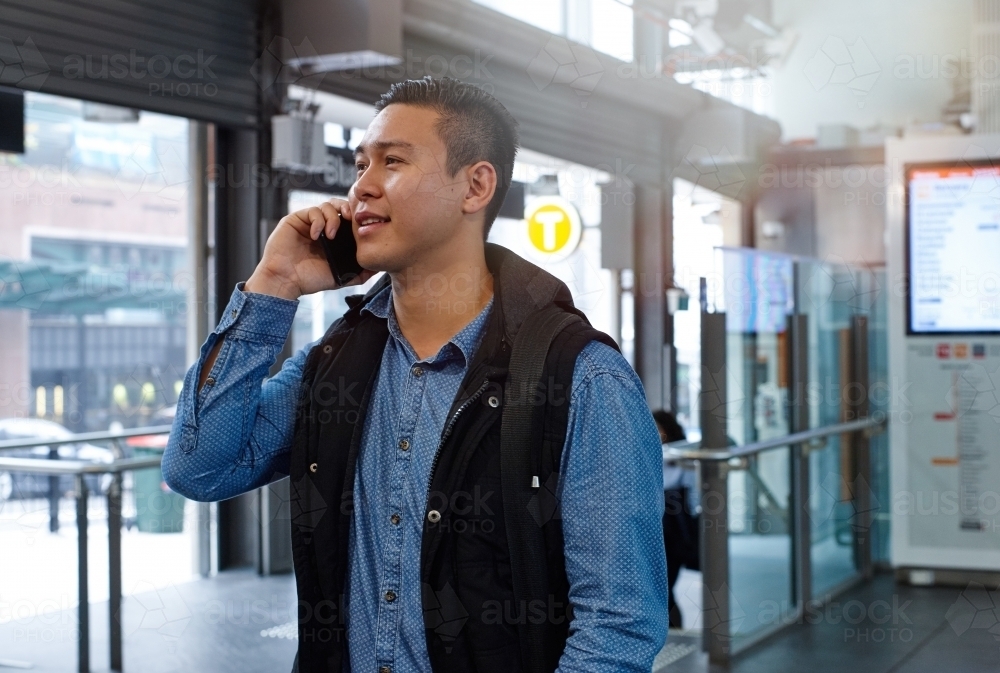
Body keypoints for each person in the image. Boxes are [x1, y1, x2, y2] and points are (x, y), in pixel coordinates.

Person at [163, 76, 667, 673]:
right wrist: (273, 285)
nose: (360, 188)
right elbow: (199, 467)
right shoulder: (336, 365)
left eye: (393, 162)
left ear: (475, 185)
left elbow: (617, 626)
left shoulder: (580, 379)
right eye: (360, 165)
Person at [653, 409, 700, 631]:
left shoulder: (682, 457)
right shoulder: (644, 454)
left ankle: (673, 631)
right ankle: (670, 631)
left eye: (658, 428)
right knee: (662, 588)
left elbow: (693, 499)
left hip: (672, 531)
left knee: (664, 586)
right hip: (656, 529)